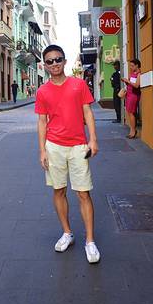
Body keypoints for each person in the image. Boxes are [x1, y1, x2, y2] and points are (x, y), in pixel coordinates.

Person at [35, 44, 100, 264]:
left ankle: (90, 241)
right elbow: (42, 121)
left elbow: (87, 112)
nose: (54, 64)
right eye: (50, 61)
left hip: (78, 146)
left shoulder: (78, 85)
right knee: (59, 191)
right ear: (45, 65)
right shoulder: (42, 91)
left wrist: (93, 139)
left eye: (58, 59)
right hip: (54, 146)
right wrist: (42, 150)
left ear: (64, 61)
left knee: (83, 193)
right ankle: (67, 233)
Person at [122, 59, 142, 139]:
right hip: (129, 94)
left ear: (137, 65)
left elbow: (137, 85)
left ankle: (133, 131)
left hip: (134, 95)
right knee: (129, 112)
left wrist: (128, 81)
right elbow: (131, 84)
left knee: (131, 112)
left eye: (132, 66)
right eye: (130, 65)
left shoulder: (139, 74)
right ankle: (132, 130)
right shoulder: (133, 73)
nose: (131, 67)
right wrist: (126, 82)